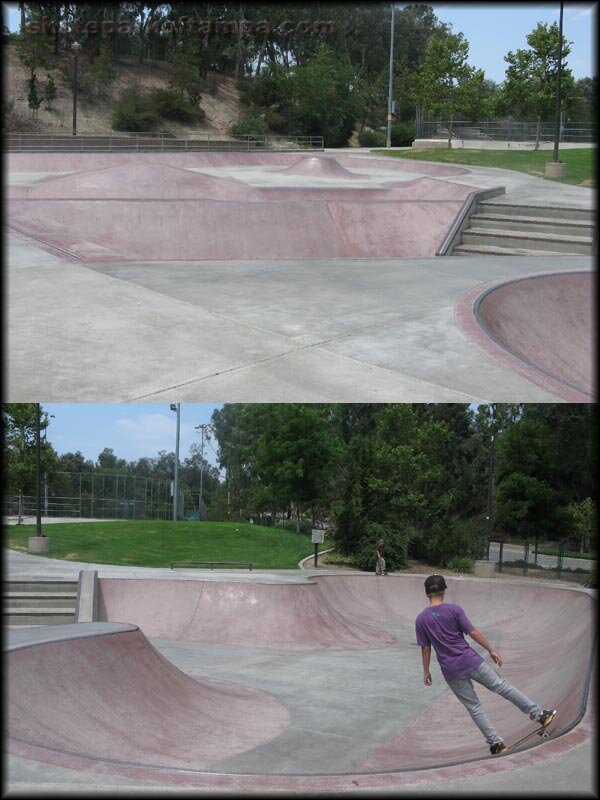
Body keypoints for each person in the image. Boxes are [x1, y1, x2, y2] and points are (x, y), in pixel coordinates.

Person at [415, 574, 556, 755]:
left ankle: (496, 744)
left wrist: (426, 671)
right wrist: (491, 649)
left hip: (451, 670)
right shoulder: (454, 610)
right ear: (444, 591)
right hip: (470, 661)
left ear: (427, 593)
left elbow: (426, 648)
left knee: (474, 707)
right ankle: (540, 716)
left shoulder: (421, 619)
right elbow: (472, 632)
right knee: (502, 687)